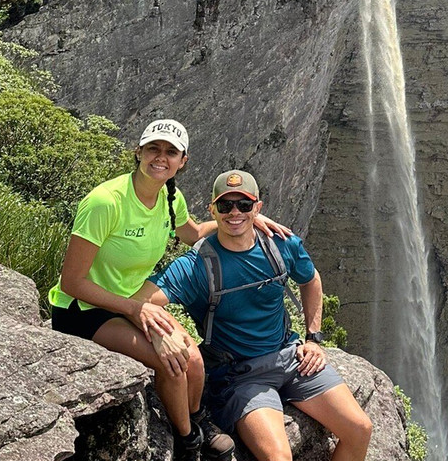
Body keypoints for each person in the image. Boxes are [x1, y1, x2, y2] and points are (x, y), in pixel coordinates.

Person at [49, 120, 290, 461]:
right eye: (153, 149)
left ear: (182, 161)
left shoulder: (169, 198)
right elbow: (72, 282)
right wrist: (135, 310)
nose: (160, 158)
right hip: (84, 310)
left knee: (194, 360)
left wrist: (246, 219)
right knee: (172, 361)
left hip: (132, 301)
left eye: (170, 152)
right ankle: (188, 439)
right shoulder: (106, 202)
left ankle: (196, 416)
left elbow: (194, 234)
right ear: (139, 153)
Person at [138, 170, 373, 461]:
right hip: (241, 375)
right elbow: (141, 300)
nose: (234, 213)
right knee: (278, 458)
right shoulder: (196, 265)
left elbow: (310, 280)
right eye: (225, 206)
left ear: (258, 208)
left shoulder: (280, 244)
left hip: (292, 358)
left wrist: (313, 338)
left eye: (244, 205)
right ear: (212, 210)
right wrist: (169, 334)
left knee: (360, 428)